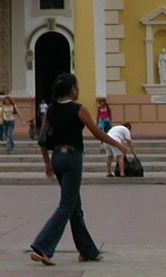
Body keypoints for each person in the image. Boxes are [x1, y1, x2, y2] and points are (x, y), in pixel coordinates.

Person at [29, 73, 128, 266]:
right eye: (77, 86)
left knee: (74, 207)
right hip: (73, 158)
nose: (78, 90)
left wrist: (47, 163)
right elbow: (97, 132)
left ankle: (87, 250)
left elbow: (43, 140)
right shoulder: (79, 109)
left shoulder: (50, 110)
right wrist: (119, 145)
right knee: (67, 205)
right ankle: (43, 246)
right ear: (73, 89)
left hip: (57, 158)